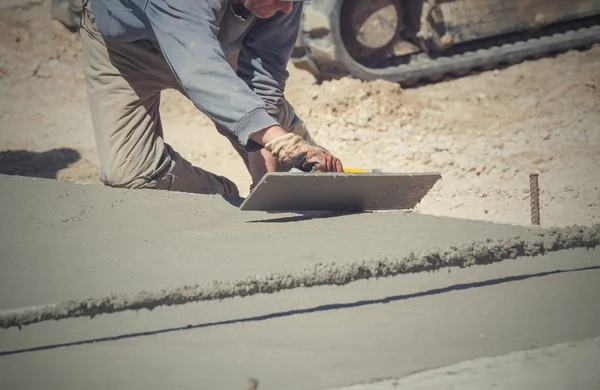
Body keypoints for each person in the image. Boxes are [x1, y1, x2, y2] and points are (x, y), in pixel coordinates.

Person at [79, 0, 344, 197]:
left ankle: (319, 185)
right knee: (128, 173)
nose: (288, 8)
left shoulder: (282, 3)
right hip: (127, 52)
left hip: (213, 42)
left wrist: (267, 168)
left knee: (283, 154)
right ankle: (222, 196)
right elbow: (201, 73)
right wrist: (282, 141)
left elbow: (266, 73)